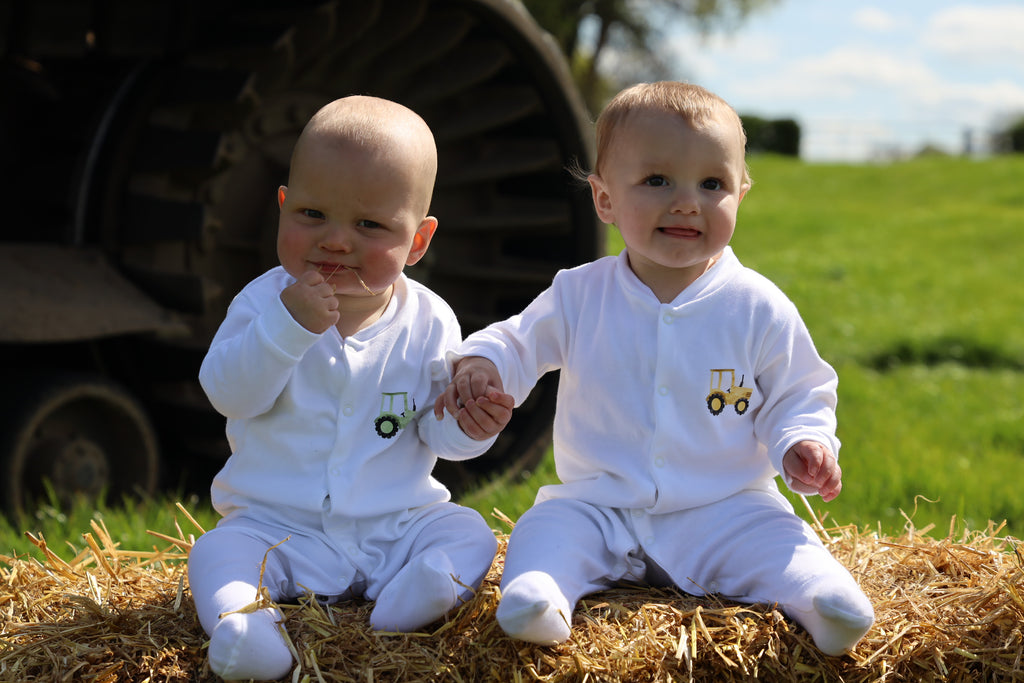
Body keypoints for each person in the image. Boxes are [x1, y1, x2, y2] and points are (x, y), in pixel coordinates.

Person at [435, 81, 874, 656]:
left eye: (711, 183)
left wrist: (804, 438)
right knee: (544, 530)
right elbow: (517, 341)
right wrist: (485, 366)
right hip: (599, 503)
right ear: (605, 200)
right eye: (657, 180)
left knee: (779, 541)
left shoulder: (757, 306)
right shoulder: (579, 294)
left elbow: (798, 390)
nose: (687, 201)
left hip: (724, 505)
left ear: (741, 192)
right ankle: (540, 598)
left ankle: (823, 599)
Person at [189, 95, 512, 681]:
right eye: (313, 215)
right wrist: (286, 330)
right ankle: (245, 627)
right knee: (216, 552)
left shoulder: (431, 320)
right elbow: (228, 394)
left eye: (369, 225)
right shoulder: (266, 302)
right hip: (275, 527)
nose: (335, 241)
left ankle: (418, 595)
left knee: (466, 530)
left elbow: (434, 430)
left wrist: (468, 426)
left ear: (418, 241)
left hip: (394, 525)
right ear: (282, 208)